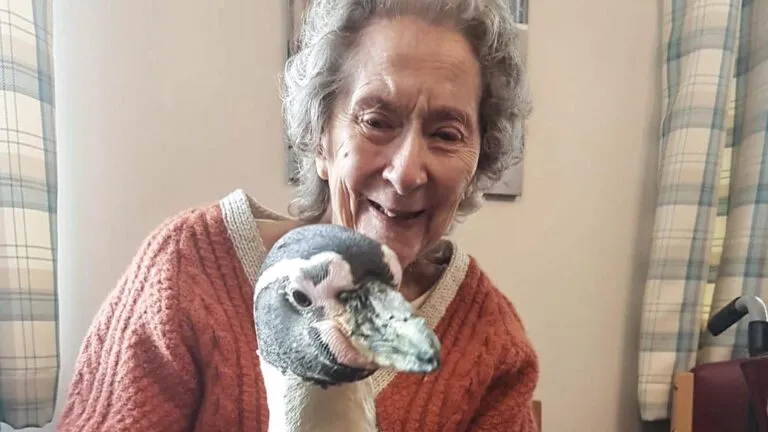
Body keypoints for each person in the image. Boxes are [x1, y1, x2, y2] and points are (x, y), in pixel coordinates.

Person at [58, 0, 539, 430]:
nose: (407, 172)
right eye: (376, 121)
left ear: (480, 158)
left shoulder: (490, 343)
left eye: (447, 133)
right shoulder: (187, 270)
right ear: (319, 139)